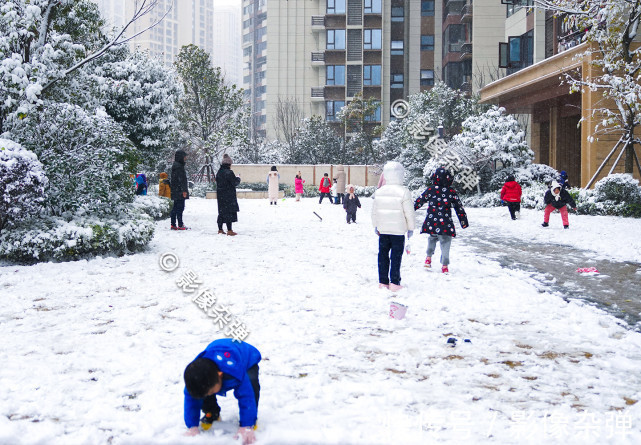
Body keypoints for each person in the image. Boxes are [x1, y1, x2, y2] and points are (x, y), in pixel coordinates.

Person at [183, 339, 261, 445]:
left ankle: (251, 419)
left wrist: (247, 425)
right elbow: (191, 399)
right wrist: (192, 426)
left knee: (251, 386)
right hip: (218, 356)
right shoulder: (197, 377)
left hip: (247, 358)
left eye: (211, 392)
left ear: (220, 376)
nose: (208, 395)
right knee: (204, 390)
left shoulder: (235, 374)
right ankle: (212, 412)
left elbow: (246, 396)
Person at [414, 167, 468, 274]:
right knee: (445, 241)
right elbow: (458, 207)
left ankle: (428, 258)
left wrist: (410, 209)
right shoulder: (451, 191)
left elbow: (420, 200)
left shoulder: (431, 189)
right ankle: (444, 265)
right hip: (445, 223)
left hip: (432, 222)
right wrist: (463, 221)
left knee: (432, 238)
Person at [371, 161, 415, 291]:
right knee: (396, 256)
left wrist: (376, 226)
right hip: (398, 232)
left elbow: (374, 212)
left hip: (383, 231)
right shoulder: (404, 191)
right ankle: (395, 282)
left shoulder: (379, 192)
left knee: (382, 255)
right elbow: (409, 213)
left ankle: (383, 281)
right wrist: (411, 228)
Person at [216, 153, 240, 236]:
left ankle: (220, 229)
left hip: (220, 195)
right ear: (229, 164)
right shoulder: (229, 172)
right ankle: (229, 230)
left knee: (221, 212)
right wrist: (238, 178)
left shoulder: (219, 172)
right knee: (229, 212)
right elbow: (234, 183)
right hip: (229, 195)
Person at [170, 150, 189, 230]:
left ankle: (173, 224)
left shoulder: (176, 166)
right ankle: (180, 224)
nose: (185, 158)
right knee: (180, 208)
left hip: (175, 190)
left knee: (175, 207)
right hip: (179, 191)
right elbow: (181, 180)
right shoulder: (179, 167)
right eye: (184, 156)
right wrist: (184, 190)